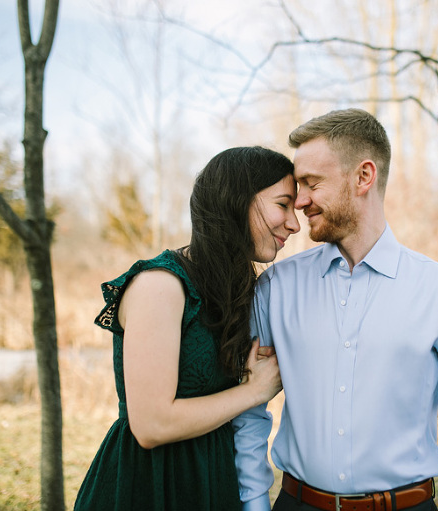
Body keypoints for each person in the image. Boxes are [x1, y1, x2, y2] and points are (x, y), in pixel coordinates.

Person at [233, 109, 438, 511]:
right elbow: (249, 413)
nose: (300, 201)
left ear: (364, 176)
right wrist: (253, 506)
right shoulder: (275, 288)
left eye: (311, 183)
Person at [75, 146, 301, 511]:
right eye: (282, 204)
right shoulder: (160, 285)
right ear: (237, 201)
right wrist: (254, 391)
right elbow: (150, 426)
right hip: (150, 485)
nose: (294, 223)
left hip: (213, 481)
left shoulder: (237, 289)